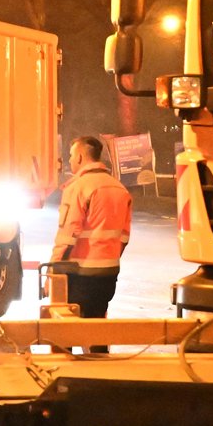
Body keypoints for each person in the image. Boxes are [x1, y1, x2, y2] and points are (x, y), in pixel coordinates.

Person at [50, 136, 133, 331]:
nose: (69, 160)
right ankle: (100, 360)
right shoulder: (119, 189)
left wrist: (52, 273)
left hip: (80, 274)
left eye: (71, 155)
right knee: (97, 328)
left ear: (79, 157)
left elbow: (67, 236)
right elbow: (124, 237)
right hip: (108, 274)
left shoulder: (78, 187)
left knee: (67, 332)